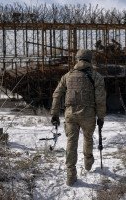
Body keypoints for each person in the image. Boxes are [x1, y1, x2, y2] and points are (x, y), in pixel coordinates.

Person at [50, 49, 106, 186]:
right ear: (90, 60)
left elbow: (57, 94)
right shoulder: (96, 77)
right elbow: (100, 99)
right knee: (88, 138)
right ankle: (88, 163)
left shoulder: (67, 76)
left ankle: (70, 175)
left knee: (71, 142)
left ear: (77, 59)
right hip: (88, 114)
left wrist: (55, 114)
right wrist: (101, 117)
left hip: (70, 114)